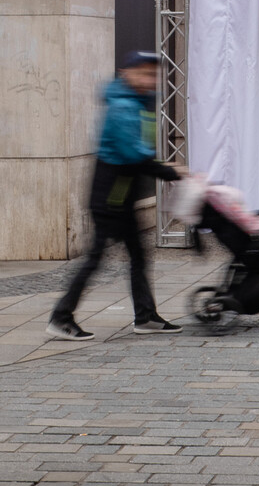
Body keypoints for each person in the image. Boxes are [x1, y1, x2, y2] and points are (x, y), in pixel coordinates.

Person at [49, 51, 181, 337]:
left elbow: (140, 152)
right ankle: (61, 317)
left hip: (122, 198)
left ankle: (145, 317)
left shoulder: (139, 103)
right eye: (144, 73)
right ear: (126, 73)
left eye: (154, 74)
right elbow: (134, 155)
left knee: (138, 257)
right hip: (110, 199)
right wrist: (172, 172)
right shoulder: (123, 107)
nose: (150, 79)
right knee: (96, 259)